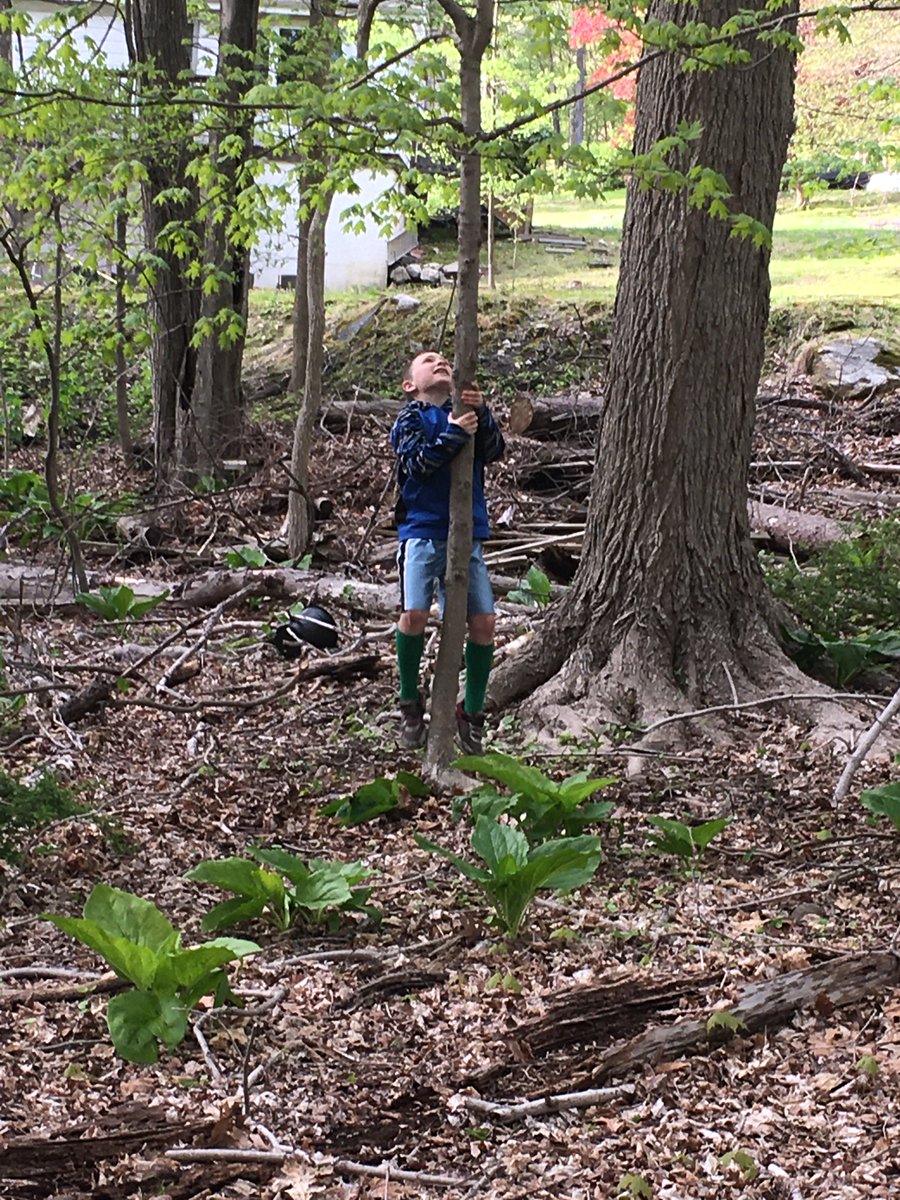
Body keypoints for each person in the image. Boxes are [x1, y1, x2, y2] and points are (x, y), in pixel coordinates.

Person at [390, 350, 505, 753]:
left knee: (485, 621)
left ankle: (471, 715)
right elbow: (418, 463)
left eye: (444, 360)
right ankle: (408, 702)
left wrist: (482, 414)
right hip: (422, 532)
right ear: (410, 384)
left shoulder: (468, 415)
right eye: (427, 361)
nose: (439, 362)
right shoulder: (411, 417)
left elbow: (494, 450)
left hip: (467, 536)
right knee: (414, 613)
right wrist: (454, 432)